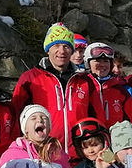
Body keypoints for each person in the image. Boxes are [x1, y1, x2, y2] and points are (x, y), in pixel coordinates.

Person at [11, 23, 91, 157]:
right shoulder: (31, 78)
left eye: (66, 46)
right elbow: (16, 115)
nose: (62, 51)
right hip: (43, 154)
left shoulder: (84, 80)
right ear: (48, 49)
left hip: (79, 155)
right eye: (56, 46)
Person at [85, 42, 132, 126]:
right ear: (88, 63)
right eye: (97, 61)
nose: (102, 65)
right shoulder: (83, 87)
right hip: (91, 136)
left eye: (106, 61)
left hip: (116, 137)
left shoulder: (121, 91)